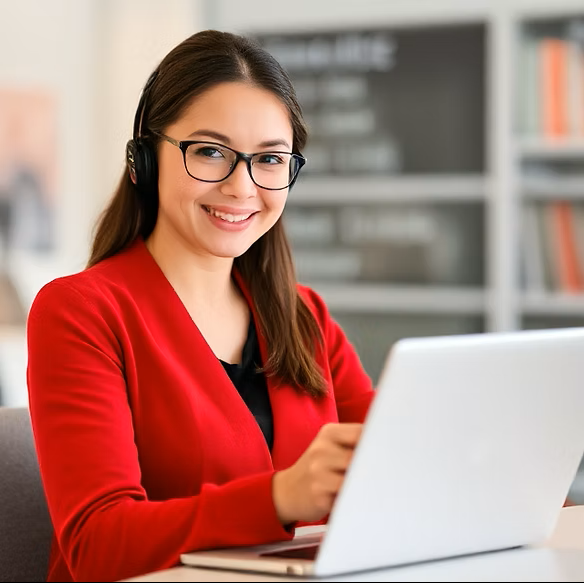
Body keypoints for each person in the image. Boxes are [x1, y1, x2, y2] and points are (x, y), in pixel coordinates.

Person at [26, 29, 375, 583]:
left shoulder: (304, 316)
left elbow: (394, 463)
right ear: (145, 160)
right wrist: (278, 497)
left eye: (269, 159)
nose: (242, 187)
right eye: (210, 152)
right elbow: (94, 545)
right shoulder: (80, 312)